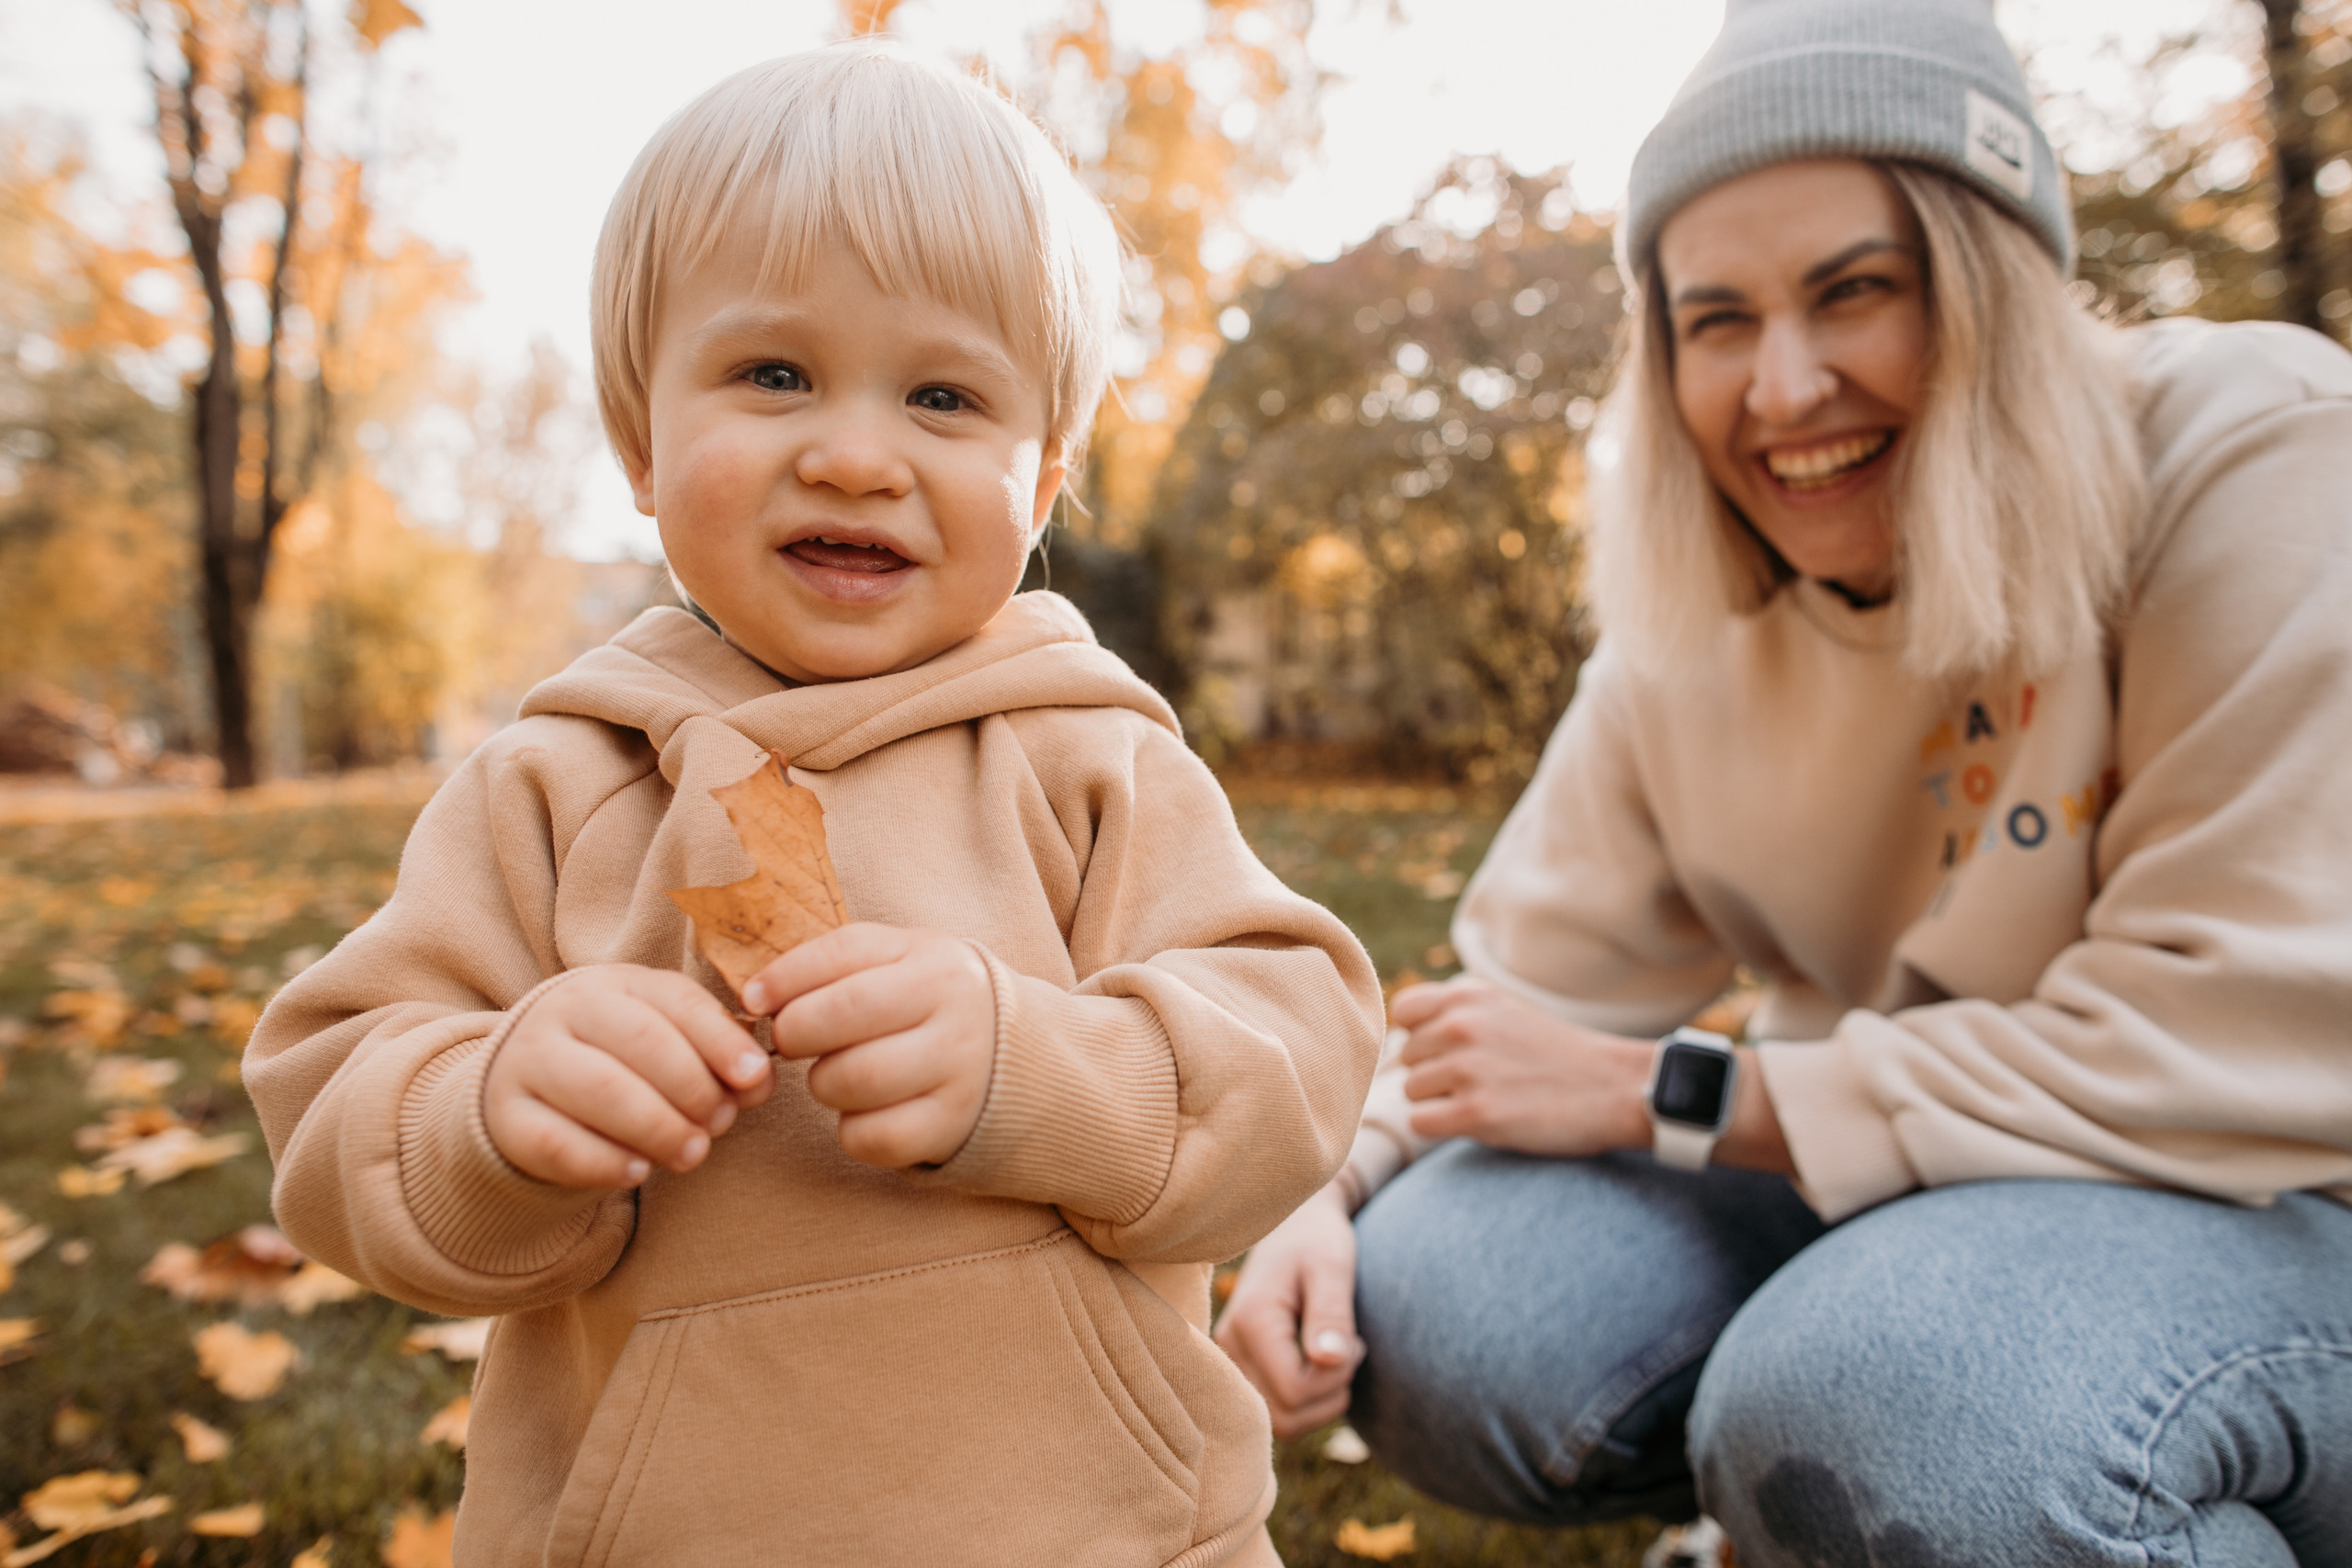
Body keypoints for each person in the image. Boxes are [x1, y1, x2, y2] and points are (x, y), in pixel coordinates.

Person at [1216, 2, 2352, 1562]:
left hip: (2285, 1208)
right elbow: (1515, 1015)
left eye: (1857, 292)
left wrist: (1675, 1093)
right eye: (1719, 319)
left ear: (1994, 283)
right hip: (1914, 1182)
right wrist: (1316, 1188)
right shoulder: (1691, 620)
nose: (1786, 386)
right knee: (1449, 1297)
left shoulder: (2253, 453)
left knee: (1898, 1399)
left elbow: (2217, 1044)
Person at [245, 43, 1383, 1568]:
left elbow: (1296, 1048)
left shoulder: (1086, 760)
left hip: (1102, 1532)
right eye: (774, 374)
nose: (855, 454)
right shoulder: (559, 784)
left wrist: (1033, 1066)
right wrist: (494, 1108)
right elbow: (335, 1108)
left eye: (942, 394)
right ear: (642, 442)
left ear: (1041, 479)